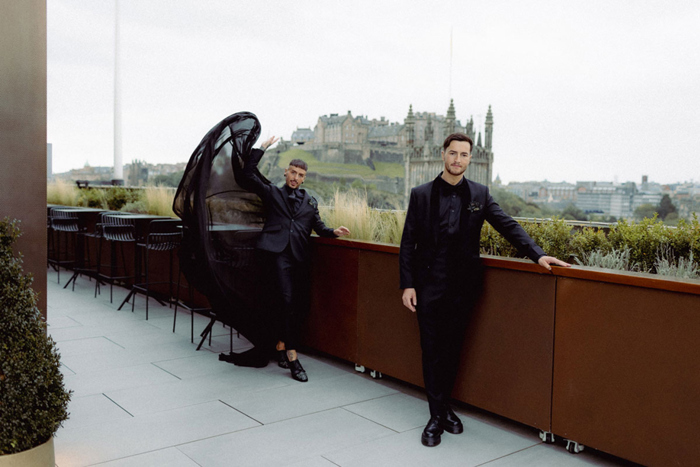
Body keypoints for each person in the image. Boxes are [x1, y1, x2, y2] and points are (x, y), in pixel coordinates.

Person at [399, 132, 570, 447]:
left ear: (470, 158)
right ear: (443, 155)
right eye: (453, 153)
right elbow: (408, 242)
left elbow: (507, 225)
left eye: (464, 155)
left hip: (464, 288)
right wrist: (407, 284)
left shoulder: (480, 194)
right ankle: (437, 417)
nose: (458, 160)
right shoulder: (420, 194)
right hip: (428, 287)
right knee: (432, 352)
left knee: (452, 352)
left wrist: (537, 254)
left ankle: (443, 409)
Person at [229, 135, 350, 382]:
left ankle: (281, 346)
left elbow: (319, 227)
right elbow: (248, 175)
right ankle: (293, 359)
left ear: (305, 178)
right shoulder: (273, 193)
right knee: (285, 301)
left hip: (299, 259)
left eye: (301, 175)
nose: (296, 178)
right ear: (286, 173)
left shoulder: (310, 202)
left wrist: (334, 232)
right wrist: (262, 148)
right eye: (292, 173)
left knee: (294, 306)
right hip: (274, 256)